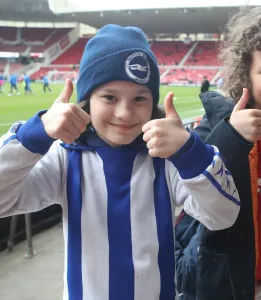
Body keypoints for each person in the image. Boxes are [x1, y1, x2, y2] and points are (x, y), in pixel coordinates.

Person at [0, 24, 240, 300]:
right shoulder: (65, 155)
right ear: (87, 100)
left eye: (140, 98)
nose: (125, 113)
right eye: (110, 97)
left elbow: (223, 216)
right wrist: (33, 134)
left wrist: (190, 151)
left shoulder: (169, 159)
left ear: (153, 104)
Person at [175, 6, 261, 300]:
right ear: (246, 75)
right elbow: (194, 183)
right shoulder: (219, 124)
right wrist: (231, 134)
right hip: (226, 277)